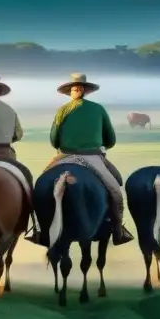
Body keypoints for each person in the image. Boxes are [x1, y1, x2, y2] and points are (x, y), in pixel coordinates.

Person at [30, 73, 133, 246]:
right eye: (75, 87)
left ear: (77, 91)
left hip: (64, 156)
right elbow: (111, 140)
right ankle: (118, 230)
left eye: (77, 87)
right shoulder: (98, 109)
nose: (76, 89)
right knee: (115, 190)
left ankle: (38, 229)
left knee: (41, 184)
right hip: (93, 157)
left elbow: (53, 139)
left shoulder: (62, 110)